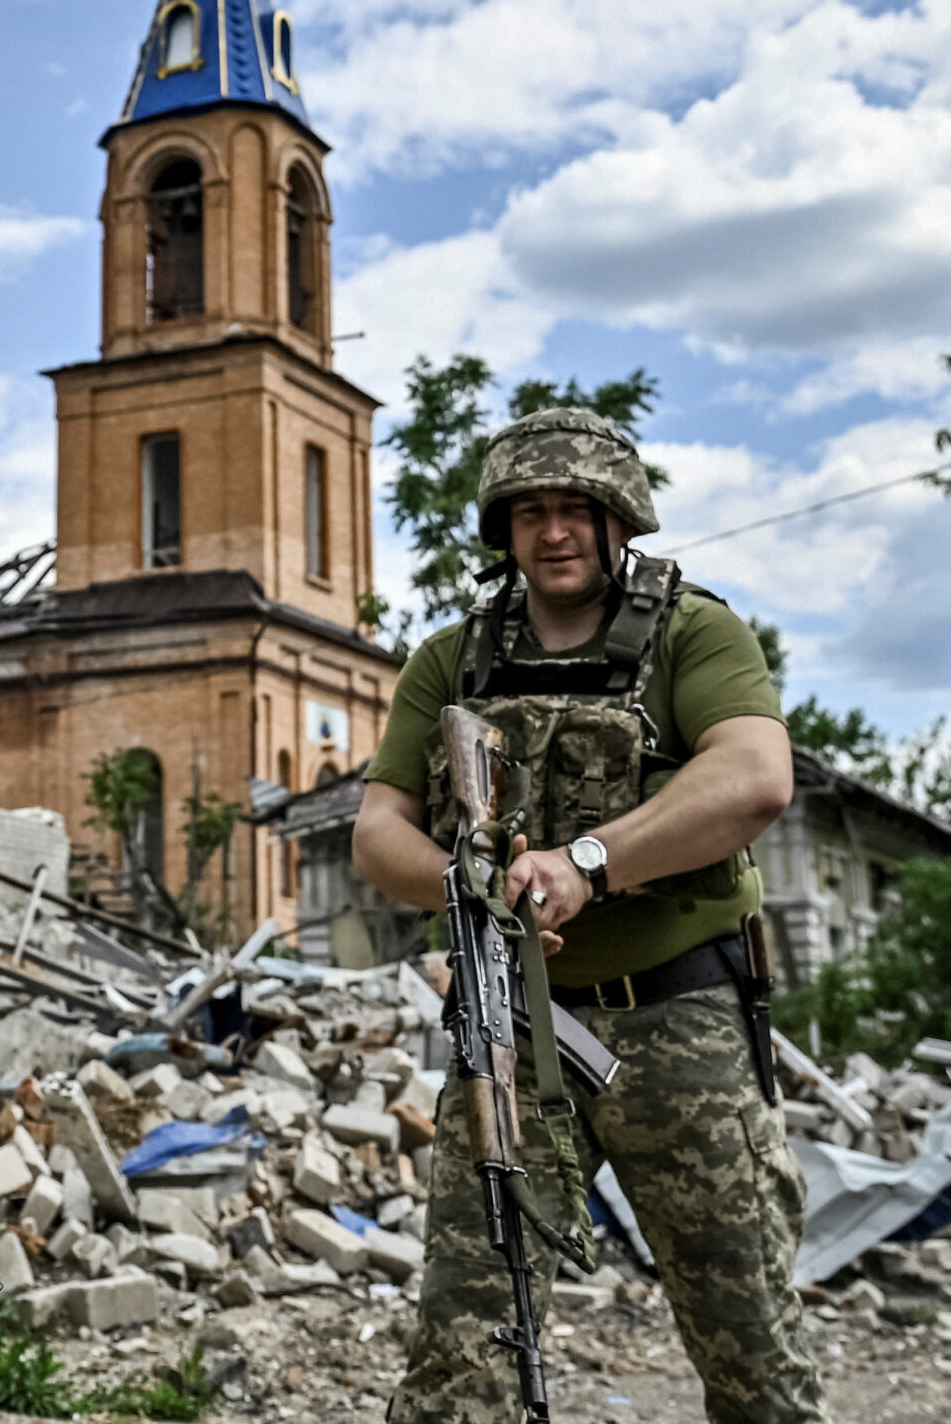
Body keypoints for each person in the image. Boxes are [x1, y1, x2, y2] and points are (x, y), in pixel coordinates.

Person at [353, 407, 828, 1424]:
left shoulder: (693, 634)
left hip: (679, 1022)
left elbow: (754, 777)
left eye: (576, 508)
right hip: (513, 1029)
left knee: (747, 1336)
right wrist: (468, 887)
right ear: (503, 530)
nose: (554, 531)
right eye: (529, 513)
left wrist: (585, 865)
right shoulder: (453, 660)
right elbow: (378, 831)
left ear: (620, 519)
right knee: (466, 1339)